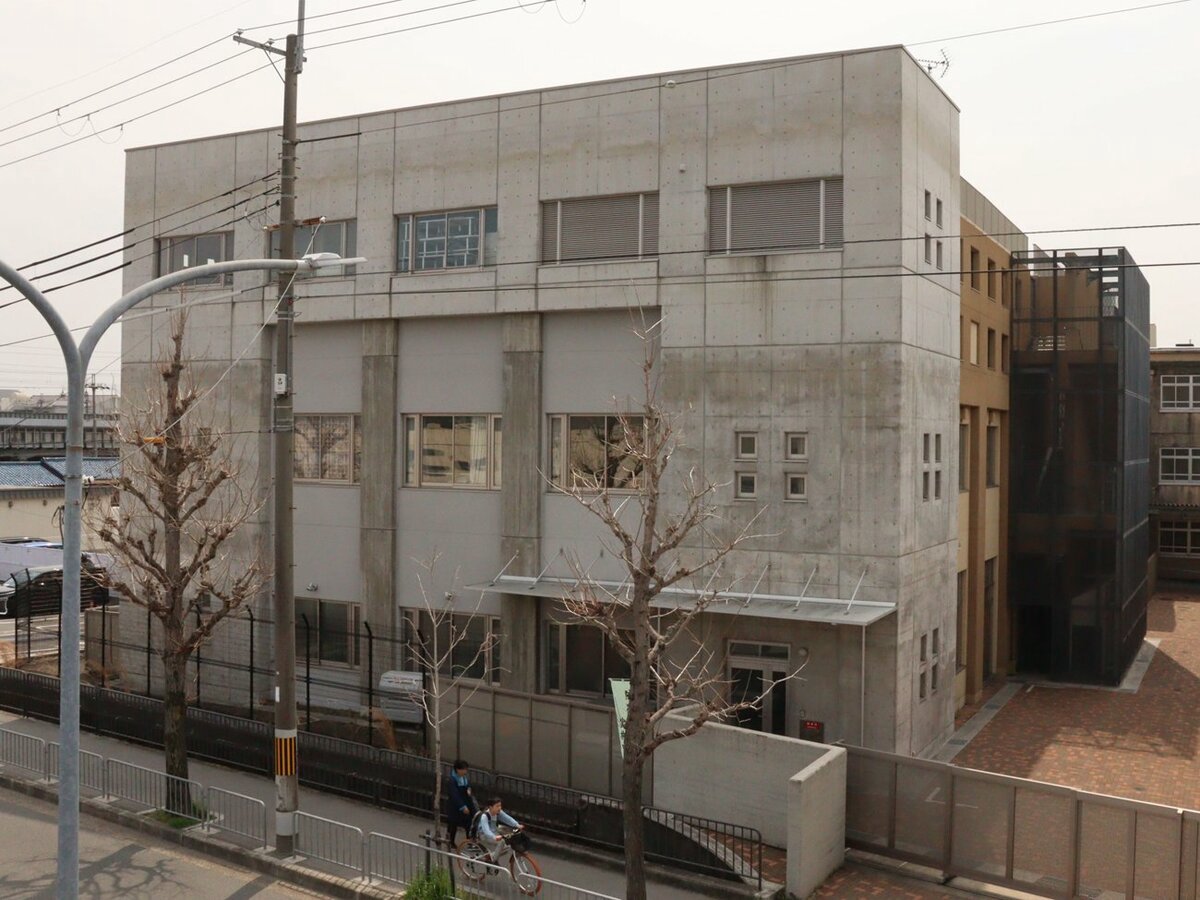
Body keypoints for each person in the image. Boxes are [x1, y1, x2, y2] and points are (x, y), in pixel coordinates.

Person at [476, 797, 522, 861]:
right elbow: (486, 830)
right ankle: (493, 859)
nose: (499, 808)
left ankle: (491, 856)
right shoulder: (485, 816)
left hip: (494, 832)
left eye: (500, 806)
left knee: (507, 846)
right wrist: (494, 837)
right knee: (502, 842)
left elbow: (507, 818)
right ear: (490, 807)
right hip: (484, 835)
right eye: (497, 806)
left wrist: (517, 825)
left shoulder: (498, 812)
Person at [445, 759, 477, 847]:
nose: (465, 771)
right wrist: (462, 806)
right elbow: (454, 795)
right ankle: (450, 841)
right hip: (455, 806)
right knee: (453, 824)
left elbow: (467, 787)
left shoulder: (464, 778)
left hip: (466, 802)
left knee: (469, 823)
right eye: (463, 769)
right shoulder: (452, 780)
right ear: (458, 770)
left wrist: (469, 790)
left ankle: (470, 841)